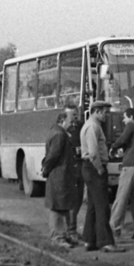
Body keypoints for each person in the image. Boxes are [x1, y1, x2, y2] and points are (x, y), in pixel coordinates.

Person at [79, 100, 121, 252]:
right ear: (96, 111)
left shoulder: (92, 125)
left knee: (93, 206)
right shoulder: (92, 127)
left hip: (90, 168)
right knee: (103, 206)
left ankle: (90, 240)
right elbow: (93, 152)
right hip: (94, 168)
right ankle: (106, 242)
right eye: (105, 112)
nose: (106, 115)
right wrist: (100, 169)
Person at [41, 107, 82, 249]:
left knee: (62, 205)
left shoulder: (58, 132)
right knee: (57, 206)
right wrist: (46, 169)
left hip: (61, 176)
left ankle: (63, 235)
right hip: (59, 175)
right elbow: (53, 156)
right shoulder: (60, 135)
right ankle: (58, 237)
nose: (73, 123)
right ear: (62, 120)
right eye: (71, 120)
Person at [110, 106, 134, 239]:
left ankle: (114, 228)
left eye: (125, 117)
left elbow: (122, 139)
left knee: (121, 198)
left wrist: (113, 147)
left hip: (131, 166)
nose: (123, 120)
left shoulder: (132, 126)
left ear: (131, 117)